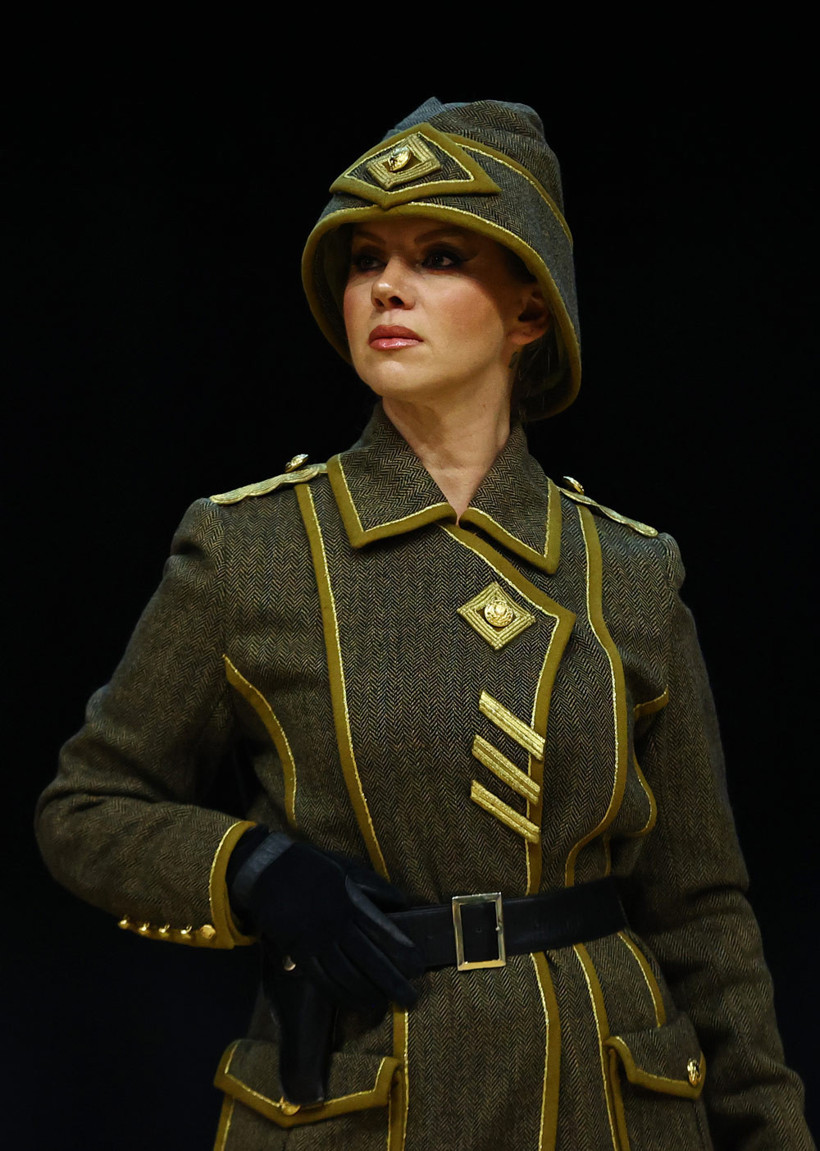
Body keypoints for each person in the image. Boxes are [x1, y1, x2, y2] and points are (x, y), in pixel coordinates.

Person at [35, 98, 813, 1150]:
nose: (386, 288)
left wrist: (769, 1131)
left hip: (606, 1099)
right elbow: (87, 807)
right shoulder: (252, 548)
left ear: (530, 310)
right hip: (365, 1096)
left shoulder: (628, 571)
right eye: (366, 260)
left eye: (439, 256)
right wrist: (252, 869)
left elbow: (701, 909)